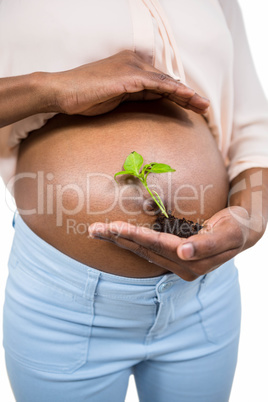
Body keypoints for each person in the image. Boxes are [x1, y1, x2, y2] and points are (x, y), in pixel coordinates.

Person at [1, 1, 268, 401]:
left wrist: (250, 221)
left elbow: (255, 134)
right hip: (62, 306)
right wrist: (50, 88)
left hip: (204, 298)